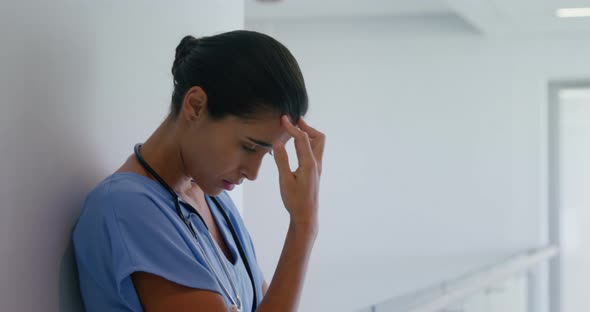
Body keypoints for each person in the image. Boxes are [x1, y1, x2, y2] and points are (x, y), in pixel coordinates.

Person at [72, 30, 325, 312]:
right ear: (195, 106)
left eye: (266, 154)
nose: (253, 173)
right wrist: (303, 226)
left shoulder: (215, 200)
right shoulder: (126, 208)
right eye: (249, 147)